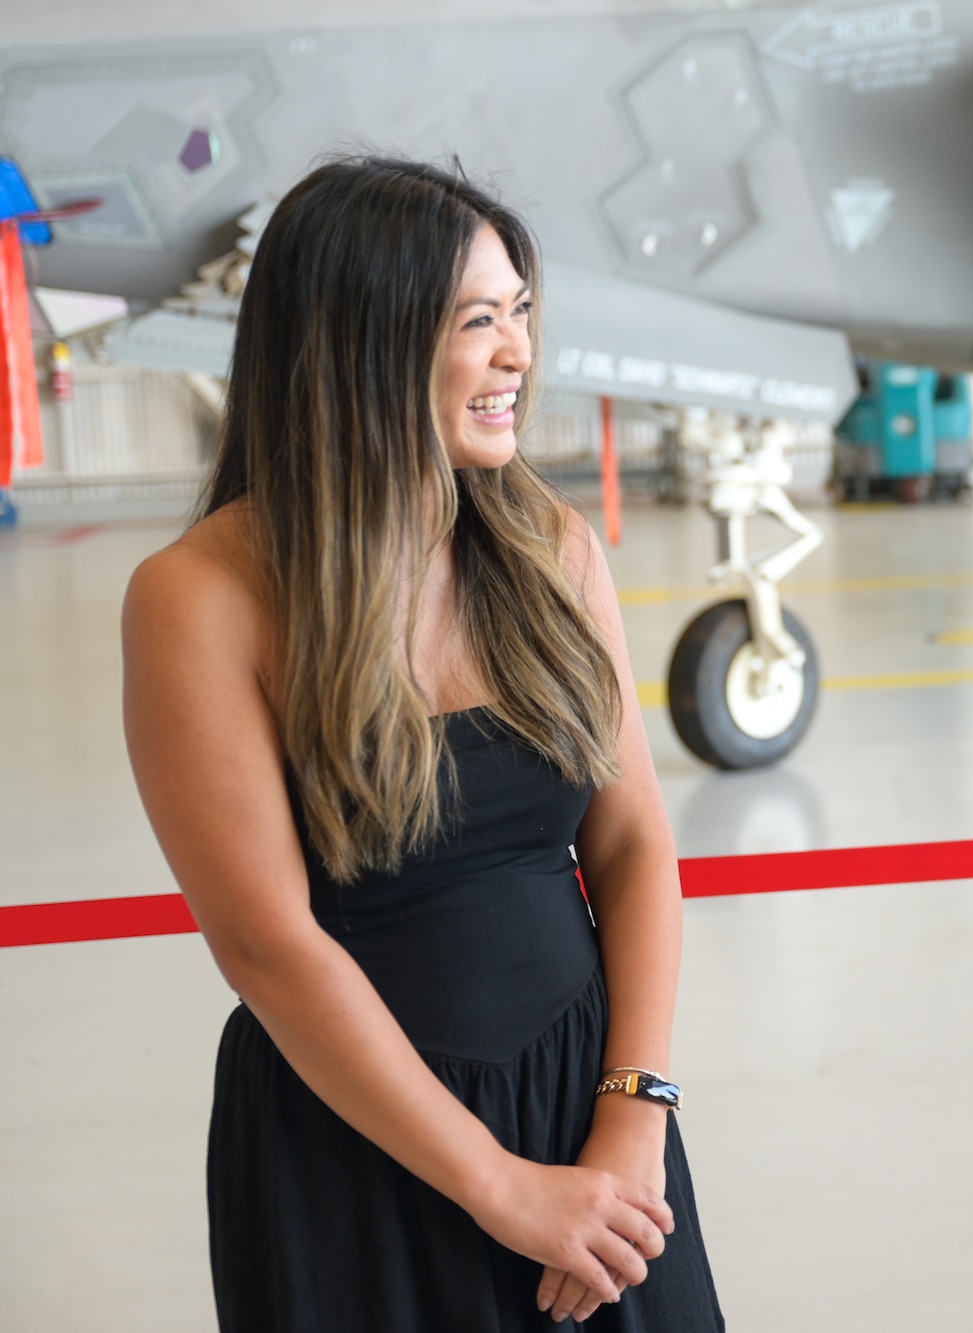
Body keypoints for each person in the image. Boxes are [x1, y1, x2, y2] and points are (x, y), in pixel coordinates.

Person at [121, 157, 724, 1331]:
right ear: (365, 342)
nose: (518, 355)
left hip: (588, 1115)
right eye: (478, 322)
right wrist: (499, 1188)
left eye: (522, 316)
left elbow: (638, 841)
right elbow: (267, 946)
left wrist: (632, 1119)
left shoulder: (548, 547)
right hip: (356, 1135)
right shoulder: (201, 596)